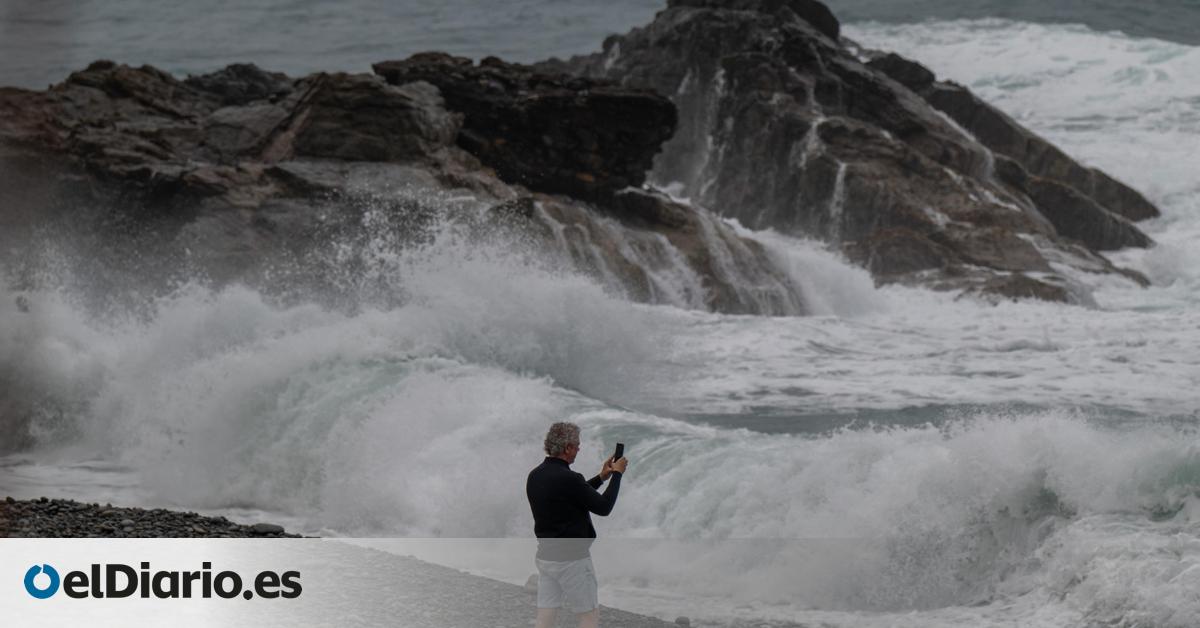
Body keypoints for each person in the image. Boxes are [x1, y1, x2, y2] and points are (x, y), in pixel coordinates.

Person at [526, 422, 628, 628]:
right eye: (577, 445)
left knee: (546, 614)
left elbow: (573, 495)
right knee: (588, 616)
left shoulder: (535, 475)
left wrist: (601, 477)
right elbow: (603, 507)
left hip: (546, 557)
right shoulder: (569, 478)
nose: (579, 449)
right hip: (573, 561)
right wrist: (617, 475)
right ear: (567, 448)